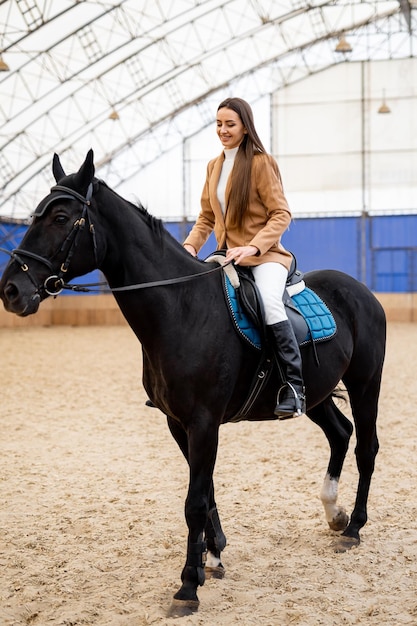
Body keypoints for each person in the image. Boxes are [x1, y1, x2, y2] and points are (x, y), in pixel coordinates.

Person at [183, 97, 305, 419]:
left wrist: (253, 247)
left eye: (230, 124)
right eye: (219, 124)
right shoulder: (214, 165)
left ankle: (294, 386)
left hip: (264, 257)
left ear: (245, 127)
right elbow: (206, 218)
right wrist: (190, 247)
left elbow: (281, 214)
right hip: (226, 256)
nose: (222, 130)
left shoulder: (261, 163)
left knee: (269, 300)